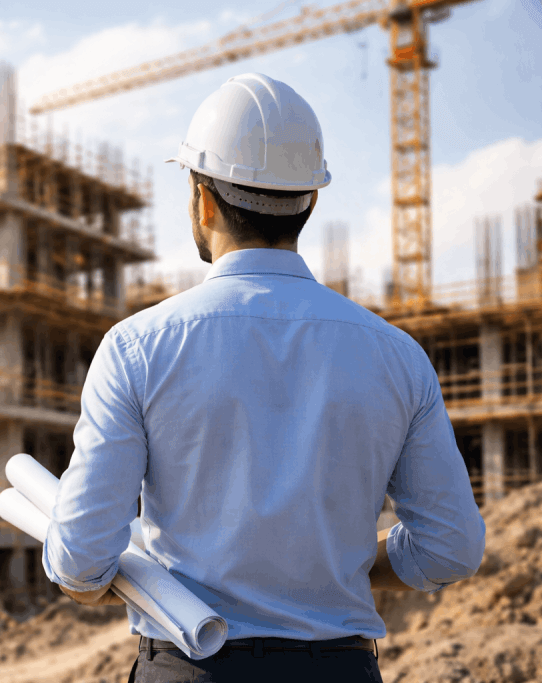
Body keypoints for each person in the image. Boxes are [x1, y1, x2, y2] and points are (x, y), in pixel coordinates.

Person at [41, 73, 487, 683]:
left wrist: (91, 578)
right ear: (312, 199)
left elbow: (82, 563)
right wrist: (347, 566)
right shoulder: (397, 355)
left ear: (202, 199)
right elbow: (452, 548)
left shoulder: (137, 348)